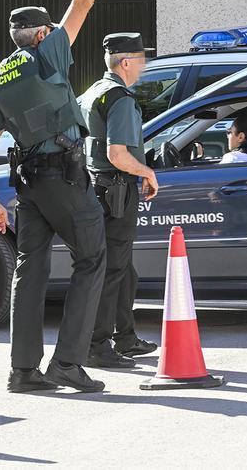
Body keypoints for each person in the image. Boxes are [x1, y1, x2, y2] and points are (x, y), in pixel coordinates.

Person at [0, 0, 117, 393]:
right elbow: (82, 4)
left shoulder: (4, 74)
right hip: (63, 177)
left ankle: (23, 371)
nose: (57, 32)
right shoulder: (48, 53)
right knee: (92, 258)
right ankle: (68, 363)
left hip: (26, 186)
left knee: (29, 270)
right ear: (41, 34)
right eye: (50, 30)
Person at [78, 33, 161, 369]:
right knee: (113, 269)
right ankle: (97, 345)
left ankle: (125, 337)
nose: (144, 65)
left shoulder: (92, 92)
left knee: (124, 269)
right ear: (126, 62)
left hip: (97, 187)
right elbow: (117, 154)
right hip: (117, 189)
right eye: (141, 59)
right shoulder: (120, 98)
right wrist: (147, 172)